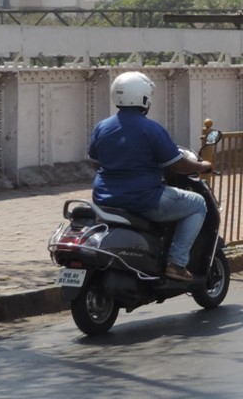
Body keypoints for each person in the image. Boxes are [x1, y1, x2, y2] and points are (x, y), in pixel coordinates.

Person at [88, 71, 213, 282]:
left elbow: (94, 159)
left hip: (104, 199)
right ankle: (177, 263)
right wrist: (202, 166)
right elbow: (178, 164)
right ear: (144, 98)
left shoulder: (102, 127)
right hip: (144, 200)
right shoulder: (151, 129)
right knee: (198, 203)